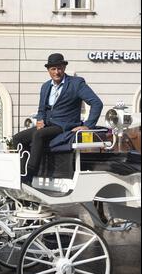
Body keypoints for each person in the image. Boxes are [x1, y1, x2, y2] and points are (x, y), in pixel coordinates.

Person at [13, 53, 103, 184]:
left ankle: (28, 177)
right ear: (48, 70)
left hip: (64, 125)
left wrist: (88, 125)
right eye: (53, 69)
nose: (57, 72)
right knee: (17, 138)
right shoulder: (45, 87)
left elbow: (97, 103)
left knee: (38, 135)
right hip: (48, 124)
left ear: (64, 68)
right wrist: (40, 120)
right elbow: (41, 110)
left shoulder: (76, 83)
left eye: (59, 68)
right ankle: (22, 170)